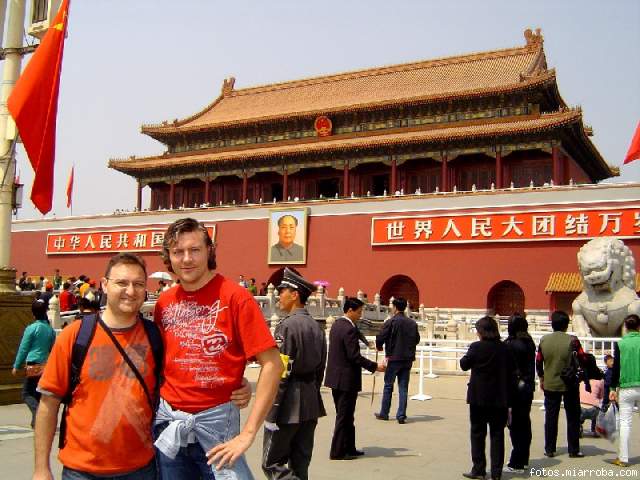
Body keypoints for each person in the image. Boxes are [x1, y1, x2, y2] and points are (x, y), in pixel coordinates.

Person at [155, 217, 282, 479]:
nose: (186, 259)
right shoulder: (165, 302)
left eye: (195, 250)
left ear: (209, 251)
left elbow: (272, 364)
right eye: (177, 252)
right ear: (168, 256)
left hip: (218, 431)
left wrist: (248, 434)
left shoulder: (235, 297)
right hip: (170, 427)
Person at [34, 253, 161, 479]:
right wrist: (41, 468)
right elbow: (48, 403)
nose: (130, 291)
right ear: (104, 285)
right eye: (121, 283)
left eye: (138, 284)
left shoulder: (155, 337)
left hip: (141, 468)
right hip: (82, 471)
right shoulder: (75, 336)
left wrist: (235, 384)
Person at [262, 267, 327, 479]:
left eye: (282, 291)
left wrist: (272, 410)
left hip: (288, 404)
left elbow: (281, 372)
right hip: (310, 402)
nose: (279, 296)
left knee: (272, 463)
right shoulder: (316, 327)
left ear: (295, 294)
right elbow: (320, 369)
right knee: (301, 464)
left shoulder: (287, 327)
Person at [325, 297, 384, 460]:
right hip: (346, 380)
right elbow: (354, 356)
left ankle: (349, 447)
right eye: (359, 312)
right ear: (350, 310)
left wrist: (368, 342)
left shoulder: (338, 324)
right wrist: (374, 366)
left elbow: (357, 332)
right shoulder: (348, 328)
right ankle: (337, 452)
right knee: (344, 416)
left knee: (347, 415)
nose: (360, 314)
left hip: (335, 378)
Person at [460, 316, 514, 480]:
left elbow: (464, 364)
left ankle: (479, 469)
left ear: (481, 332)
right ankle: (496, 473)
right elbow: (512, 370)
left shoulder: (476, 347)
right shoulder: (505, 348)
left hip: (479, 397)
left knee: (477, 433)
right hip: (499, 397)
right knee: (497, 434)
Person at [536, 310, 587, 458]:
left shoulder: (544, 340)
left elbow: (539, 361)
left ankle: (550, 448)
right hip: (570, 383)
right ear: (567, 325)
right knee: (573, 417)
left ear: (552, 324)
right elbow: (583, 359)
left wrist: (541, 378)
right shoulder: (573, 340)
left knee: (551, 417)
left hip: (551, 383)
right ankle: (573, 449)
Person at [374, 297, 420, 424]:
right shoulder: (412, 323)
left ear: (394, 307)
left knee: (388, 385)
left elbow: (381, 337)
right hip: (407, 359)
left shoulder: (391, 321)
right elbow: (416, 340)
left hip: (393, 358)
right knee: (403, 388)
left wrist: (379, 346)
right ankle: (401, 415)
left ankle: (384, 413)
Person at [12, 299, 56, 428]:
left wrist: (16, 365)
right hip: (45, 364)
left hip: (32, 363)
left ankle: (37, 414)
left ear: (33, 313)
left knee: (26, 394)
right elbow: (53, 348)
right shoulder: (49, 329)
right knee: (37, 393)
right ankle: (35, 422)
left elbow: (23, 348)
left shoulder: (32, 328)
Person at [503, 313, 535, 474]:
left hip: (514, 389)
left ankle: (516, 461)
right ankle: (523, 459)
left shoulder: (511, 344)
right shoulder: (530, 342)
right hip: (528, 388)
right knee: (524, 423)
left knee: (514, 425)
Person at [609, 314, 640, 468]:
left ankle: (623, 458)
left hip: (627, 387)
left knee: (625, 423)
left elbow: (615, 369)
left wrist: (612, 388)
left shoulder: (621, 344)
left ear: (626, 328)